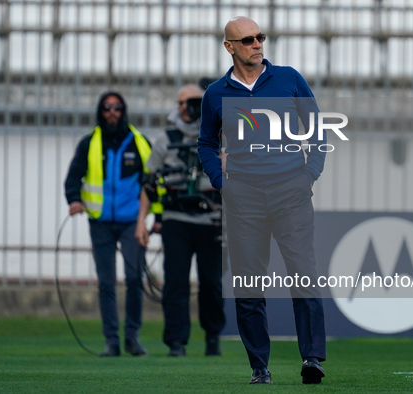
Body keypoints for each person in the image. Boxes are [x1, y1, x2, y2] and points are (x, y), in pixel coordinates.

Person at [197, 16, 327, 384]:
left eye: (260, 37)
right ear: (230, 47)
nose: (257, 43)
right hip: (244, 199)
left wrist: (308, 175)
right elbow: (206, 143)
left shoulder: (289, 79)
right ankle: (259, 366)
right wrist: (222, 182)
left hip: (291, 193)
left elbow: (317, 129)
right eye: (248, 39)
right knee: (249, 285)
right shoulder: (215, 94)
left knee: (304, 275)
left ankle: (312, 359)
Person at [135, 84, 225, 357]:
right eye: (185, 102)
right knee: (176, 282)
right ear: (178, 106)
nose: (190, 107)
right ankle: (176, 342)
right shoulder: (165, 138)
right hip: (175, 219)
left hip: (211, 219)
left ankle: (213, 337)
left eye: (197, 102)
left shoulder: (219, 135)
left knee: (211, 283)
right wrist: (142, 221)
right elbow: (149, 183)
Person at [64, 91, 150, 357]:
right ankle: (111, 340)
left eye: (117, 108)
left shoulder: (139, 142)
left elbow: (152, 183)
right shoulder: (89, 142)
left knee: (135, 279)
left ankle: (132, 337)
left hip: (131, 223)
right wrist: (74, 200)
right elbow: (73, 177)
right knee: (106, 282)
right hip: (99, 222)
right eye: (106, 108)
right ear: (100, 112)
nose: (112, 112)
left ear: (124, 111)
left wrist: (152, 219)